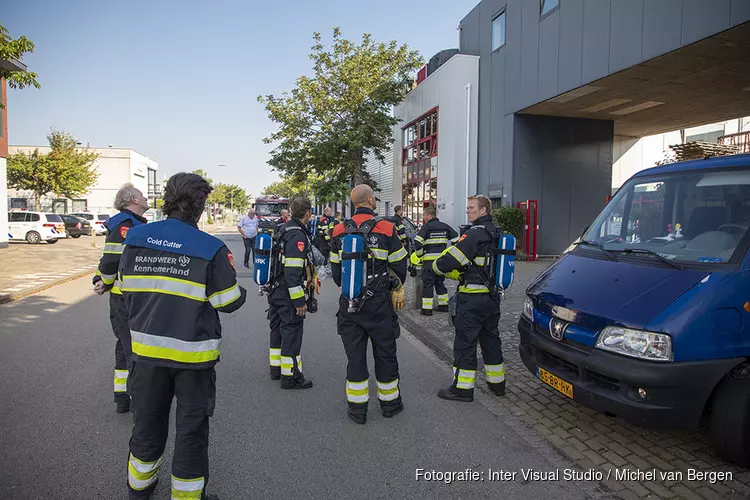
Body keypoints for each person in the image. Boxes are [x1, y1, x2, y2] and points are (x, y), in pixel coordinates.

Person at [119, 173, 247, 500]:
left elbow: (125, 287)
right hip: (193, 359)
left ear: (167, 198)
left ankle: (139, 490)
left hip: (145, 355)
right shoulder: (209, 247)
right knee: (190, 432)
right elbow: (228, 301)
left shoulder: (134, 238)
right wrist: (239, 288)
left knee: (146, 426)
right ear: (201, 206)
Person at [330, 185, 408, 424]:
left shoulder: (338, 230)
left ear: (354, 203)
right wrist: (395, 286)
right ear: (371, 200)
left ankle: (357, 409)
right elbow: (400, 265)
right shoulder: (386, 228)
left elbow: (336, 274)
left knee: (355, 357)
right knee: (385, 353)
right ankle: (390, 404)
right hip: (378, 304)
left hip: (350, 303)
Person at [432, 195, 505, 403]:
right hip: (492, 299)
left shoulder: (475, 234)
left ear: (484, 211)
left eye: (472, 208)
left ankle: (462, 389)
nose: (468, 211)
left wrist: (434, 266)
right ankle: (498, 384)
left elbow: (449, 261)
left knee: (466, 343)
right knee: (491, 340)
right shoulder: (497, 233)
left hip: (471, 299)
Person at [93, 183, 149, 414]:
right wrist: (103, 281)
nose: (145, 198)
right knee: (133, 350)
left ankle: (122, 397)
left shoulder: (131, 224)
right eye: (142, 195)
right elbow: (111, 260)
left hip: (126, 299)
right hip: (126, 299)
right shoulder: (125, 226)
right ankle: (139, 402)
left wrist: (103, 278)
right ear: (133, 200)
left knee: (124, 347)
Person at [266, 197, 316, 388]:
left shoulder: (282, 228)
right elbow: (293, 272)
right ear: (307, 213)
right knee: (291, 333)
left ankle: (276, 369)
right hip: (288, 293)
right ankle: (291, 377)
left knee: (277, 329)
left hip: (275, 290)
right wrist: (299, 302)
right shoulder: (297, 235)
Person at [413, 207, 458, 316]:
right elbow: (457, 240)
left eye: (424, 215)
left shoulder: (426, 227)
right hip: (441, 261)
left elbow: (418, 242)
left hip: (429, 261)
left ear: (429, 215)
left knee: (428, 284)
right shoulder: (445, 226)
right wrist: (449, 253)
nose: (423, 218)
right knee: (439, 282)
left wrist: (420, 254)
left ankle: (427, 309)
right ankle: (444, 305)